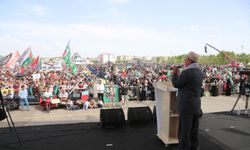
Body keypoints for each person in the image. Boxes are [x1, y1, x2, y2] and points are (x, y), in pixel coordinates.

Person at [171, 51, 203, 150]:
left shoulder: (187, 72)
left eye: (185, 59)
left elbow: (176, 84)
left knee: (184, 131)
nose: (184, 61)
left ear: (189, 60)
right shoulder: (199, 71)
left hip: (186, 106)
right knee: (194, 130)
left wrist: (174, 74)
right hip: (195, 105)